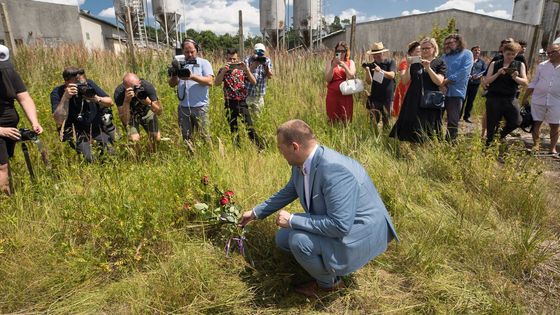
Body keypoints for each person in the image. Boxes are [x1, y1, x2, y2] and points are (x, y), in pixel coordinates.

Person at [238, 119, 398, 298]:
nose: (279, 152)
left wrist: (292, 220)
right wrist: (255, 212)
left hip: (360, 234)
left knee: (299, 241)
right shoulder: (302, 163)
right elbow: (289, 191)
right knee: (283, 238)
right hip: (343, 227)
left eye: (280, 147)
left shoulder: (334, 171)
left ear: (294, 146)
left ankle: (329, 285)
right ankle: (326, 265)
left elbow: (340, 226)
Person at [0, 45, 43, 195]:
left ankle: (9, 197)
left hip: (9, 129)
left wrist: (34, 121)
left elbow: (24, 98)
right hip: (2, 130)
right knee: (2, 166)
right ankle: (5, 202)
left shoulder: (8, 72)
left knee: (5, 162)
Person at [51, 67, 115, 162]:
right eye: (77, 85)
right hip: (76, 132)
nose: (81, 86)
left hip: (96, 129)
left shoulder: (89, 84)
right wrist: (65, 98)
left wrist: (97, 99)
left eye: (82, 83)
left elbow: (110, 102)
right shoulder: (58, 92)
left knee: (111, 153)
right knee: (90, 158)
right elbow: (58, 120)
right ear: (66, 82)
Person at [390, 38, 447, 143]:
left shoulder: (439, 62)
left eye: (427, 48)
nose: (424, 50)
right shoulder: (416, 63)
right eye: (422, 48)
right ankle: (412, 154)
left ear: (434, 49)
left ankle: (424, 153)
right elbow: (405, 80)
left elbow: (439, 81)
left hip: (430, 100)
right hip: (414, 98)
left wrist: (428, 68)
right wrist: (408, 65)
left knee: (427, 128)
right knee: (412, 128)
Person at [214, 48, 263, 149]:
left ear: (238, 59)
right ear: (226, 59)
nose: (232, 62)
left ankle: (260, 147)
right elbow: (217, 83)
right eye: (230, 59)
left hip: (242, 102)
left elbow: (253, 82)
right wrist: (223, 71)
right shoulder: (223, 70)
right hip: (229, 102)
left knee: (249, 127)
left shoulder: (242, 70)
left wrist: (247, 70)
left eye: (234, 59)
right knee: (233, 128)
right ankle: (237, 149)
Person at [168, 38, 214, 144]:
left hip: (200, 107)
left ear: (197, 50)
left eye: (192, 51)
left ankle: (208, 157)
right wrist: (175, 74)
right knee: (186, 136)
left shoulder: (204, 63)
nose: (189, 54)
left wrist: (192, 76)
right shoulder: (179, 64)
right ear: (183, 51)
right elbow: (171, 84)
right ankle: (190, 156)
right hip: (183, 107)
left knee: (204, 135)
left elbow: (210, 81)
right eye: (186, 52)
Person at [483, 42, 528, 145]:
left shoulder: (519, 64)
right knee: (492, 124)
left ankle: (498, 137)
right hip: (494, 98)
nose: (510, 57)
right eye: (508, 54)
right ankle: (488, 146)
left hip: (510, 98)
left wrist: (515, 77)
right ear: (503, 52)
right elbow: (486, 81)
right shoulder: (495, 64)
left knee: (517, 121)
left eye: (513, 54)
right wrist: (498, 73)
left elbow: (525, 82)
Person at [521, 44, 560, 155]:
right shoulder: (542, 66)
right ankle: (536, 145)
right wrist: (525, 97)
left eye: (553, 52)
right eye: (548, 53)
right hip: (539, 99)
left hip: (556, 101)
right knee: (536, 123)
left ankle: (552, 148)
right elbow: (534, 82)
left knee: (555, 125)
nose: (550, 55)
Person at [114, 73, 162, 151]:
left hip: (146, 111)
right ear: (125, 87)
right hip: (131, 115)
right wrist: (126, 101)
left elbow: (159, 112)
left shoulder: (147, 86)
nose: (136, 89)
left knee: (156, 138)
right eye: (132, 88)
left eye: (137, 86)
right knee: (134, 140)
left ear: (139, 82)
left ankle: (151, 154)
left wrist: (149, 102)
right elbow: (125, 121)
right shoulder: (119, 93)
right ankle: (138, 159)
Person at [441, 34, 473, 140]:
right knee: (436, 119)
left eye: (450, 43)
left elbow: (464, 72)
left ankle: (450, 145)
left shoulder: (467, 54)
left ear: (459, 43)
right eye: (446, 44)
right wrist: (441, 84)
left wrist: (445, 81)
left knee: (453, 121)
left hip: (456, 93)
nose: (447, 46)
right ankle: (435, 142)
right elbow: (438, 72)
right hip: (441, 92)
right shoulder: (443, 57)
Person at [363, 42, 396, 129]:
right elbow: (369, 82)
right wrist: (367, 70)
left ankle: (385, 138)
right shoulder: (371, 65)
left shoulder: (390, 62)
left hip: (388, 98)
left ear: (383, 53)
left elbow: (392, 75)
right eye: (374, 55)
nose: (376, 57)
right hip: (375, 97)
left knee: (387, 122)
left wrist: (381, 71)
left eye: (378, 54)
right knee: (373, 123)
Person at [325, 41, 356, 123]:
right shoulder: (330, 62)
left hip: (346, 95)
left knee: (346, 119)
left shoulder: (350, 62)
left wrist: (345, 66)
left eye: (342, 51)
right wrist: (332, 67)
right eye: (338, 51)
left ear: (346, 52)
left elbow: (351, 76)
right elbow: (328, 79)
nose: (340, 53)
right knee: (332, 119)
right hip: (332, 96)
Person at [244, 43, 273, 117]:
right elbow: (244, 74)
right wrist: (255, 64)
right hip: (247, 94)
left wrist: (265, 66)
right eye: (257, 52)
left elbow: (269, 76)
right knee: (246, 118)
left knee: (258, 118)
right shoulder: (247, 60)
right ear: (254, 52)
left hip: (259, 96)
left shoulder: (267, 60)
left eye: (261, 52)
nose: (259, 55)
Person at [393, 41, 420, 118]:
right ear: (411, 53)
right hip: (405, 90)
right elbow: (403, 77)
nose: (420, 53)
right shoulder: (405, 62)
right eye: (418, 51)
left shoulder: (421, 61)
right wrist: (409, 65)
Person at [462, 46, 486, 123]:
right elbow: (463, 68)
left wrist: (478, 76)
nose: (477, 52)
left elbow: (484, 70)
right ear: (471, 51)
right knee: (463, 99)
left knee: (470, 101)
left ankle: (467, 117)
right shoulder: (467, 60)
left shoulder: (481, 62)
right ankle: (458, 115)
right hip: (466, 83)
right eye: (475, 50)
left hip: (475, 84)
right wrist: (467, 75)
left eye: (479, 50)